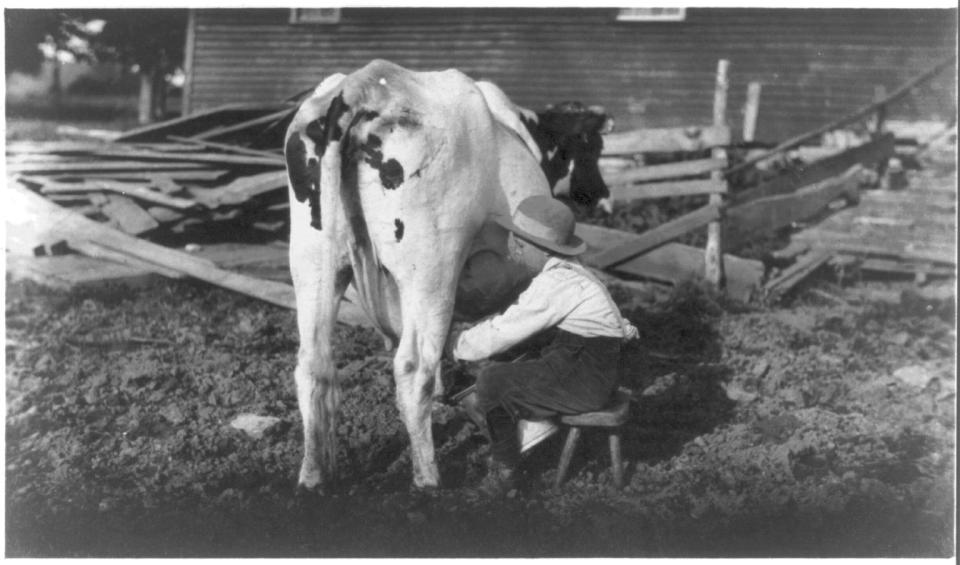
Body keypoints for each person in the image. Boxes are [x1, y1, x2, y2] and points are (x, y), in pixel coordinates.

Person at [446, 195, 638, 497]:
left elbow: (504, 330)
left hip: (586, 379)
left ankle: (506, 470)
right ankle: (534, 426)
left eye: (521, 245)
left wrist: (455, 345)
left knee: (491, 382)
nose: (515, 250)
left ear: (545, 249)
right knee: (525, 353)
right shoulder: (573, 275)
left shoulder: (555, 284)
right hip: (591, 365)